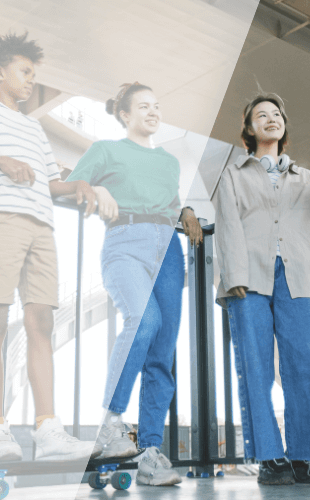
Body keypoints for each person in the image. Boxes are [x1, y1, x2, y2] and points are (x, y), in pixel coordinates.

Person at [0, 32, 98, 464]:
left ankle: (48, 430)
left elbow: (52, 183)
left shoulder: (33, 125)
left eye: (33, 74)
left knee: (42, 324)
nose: (31, 81)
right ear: (0, 71)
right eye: (25, 72)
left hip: (41, 226)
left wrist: (79, 184)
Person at [66, 82, 204, 486]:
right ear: (124, 115)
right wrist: (98, 186)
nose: (153, 112)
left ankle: (149, 453)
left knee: (162, 353)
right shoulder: (105, 151)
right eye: (143, 106)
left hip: (169, 251)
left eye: (157, 106)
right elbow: (73, 185)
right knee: (143, 321)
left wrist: (188, 210)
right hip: (125, 243)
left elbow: (170, 201)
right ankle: (111, 424)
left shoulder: (168, 161)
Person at [214, 93, 310, 485]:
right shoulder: (233, 176)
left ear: (284, 125)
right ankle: (269, 457)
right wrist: (234, 275)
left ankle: (307, 454)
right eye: (261, 115)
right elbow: (228, 226)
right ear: (250, 129)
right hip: (248, 275)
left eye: (276, 114)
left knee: (304, 363)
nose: (271, 119)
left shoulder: (306, 177)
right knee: (255, 365)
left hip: (295, 275)